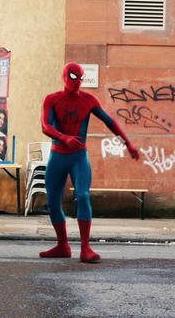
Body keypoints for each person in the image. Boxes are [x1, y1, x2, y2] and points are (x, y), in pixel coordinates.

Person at [39, 62, 140, 263]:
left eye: (80, 78)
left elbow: (110, 122)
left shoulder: (88, 100)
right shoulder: (52, 99)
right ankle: (62, 245)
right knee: (52, 201)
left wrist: (128, 144)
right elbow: (45, 125)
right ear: (64, 77)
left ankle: (85, 248)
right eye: (72, 77)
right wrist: (65, 137)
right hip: (58, 156)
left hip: (78, 158)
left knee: (83, 196)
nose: (76, 82)